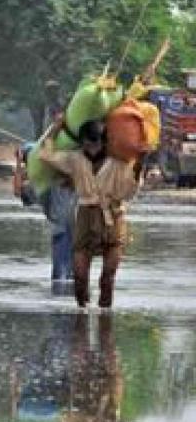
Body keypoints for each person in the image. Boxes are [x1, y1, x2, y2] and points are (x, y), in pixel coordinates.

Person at [39, 119, 143, 308]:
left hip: (113, 218)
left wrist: (137, 169)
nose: (91, 150)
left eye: (95, 144)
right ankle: (82, 321)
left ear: (104, 143)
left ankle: (105, 326)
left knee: (107, 279)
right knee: (79, 278)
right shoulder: (75, 159)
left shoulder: (118, 163)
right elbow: (46, 156)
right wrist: (55, 130)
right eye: (87, 145)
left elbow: (128, 193)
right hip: (85, 217)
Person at [15, 144, 77, 289]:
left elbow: (18, 191)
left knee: (60, 279)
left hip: (64, 234)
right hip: (81, 235)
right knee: (74, 279)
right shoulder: (74, 175)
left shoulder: (45, 182)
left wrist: (19, 165)